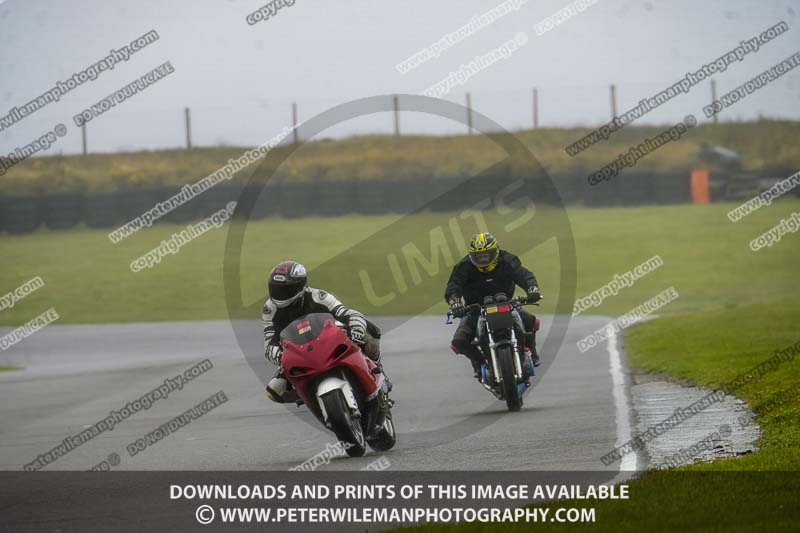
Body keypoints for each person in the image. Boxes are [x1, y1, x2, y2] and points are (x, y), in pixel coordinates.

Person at [262, 260, 385, 403]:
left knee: (371, 332)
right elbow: (269, 341)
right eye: (276, 289)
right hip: (298, 353)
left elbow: (347, 313)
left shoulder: (319, 296)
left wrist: (356, 328)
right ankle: (307, 395)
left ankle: (377, 369)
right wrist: (279, 356)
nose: (280, 295)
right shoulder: (270, 309)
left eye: (285, 290)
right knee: (274, 391)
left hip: (328, 342)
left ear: (300, 287)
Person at [444, 232, 542, 379]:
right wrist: (455, 303)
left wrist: (532, 289)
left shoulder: (507, 260)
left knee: (531, 321)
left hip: (507, 305)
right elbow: (453, 287)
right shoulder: (463, 266)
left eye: (486, 255)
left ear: (495, 252)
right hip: (476, 310)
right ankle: (479, 362)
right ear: (472, 256)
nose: (482, 259)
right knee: (459, 342)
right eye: (478, 256)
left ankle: (531, 351)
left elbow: (524, 275)